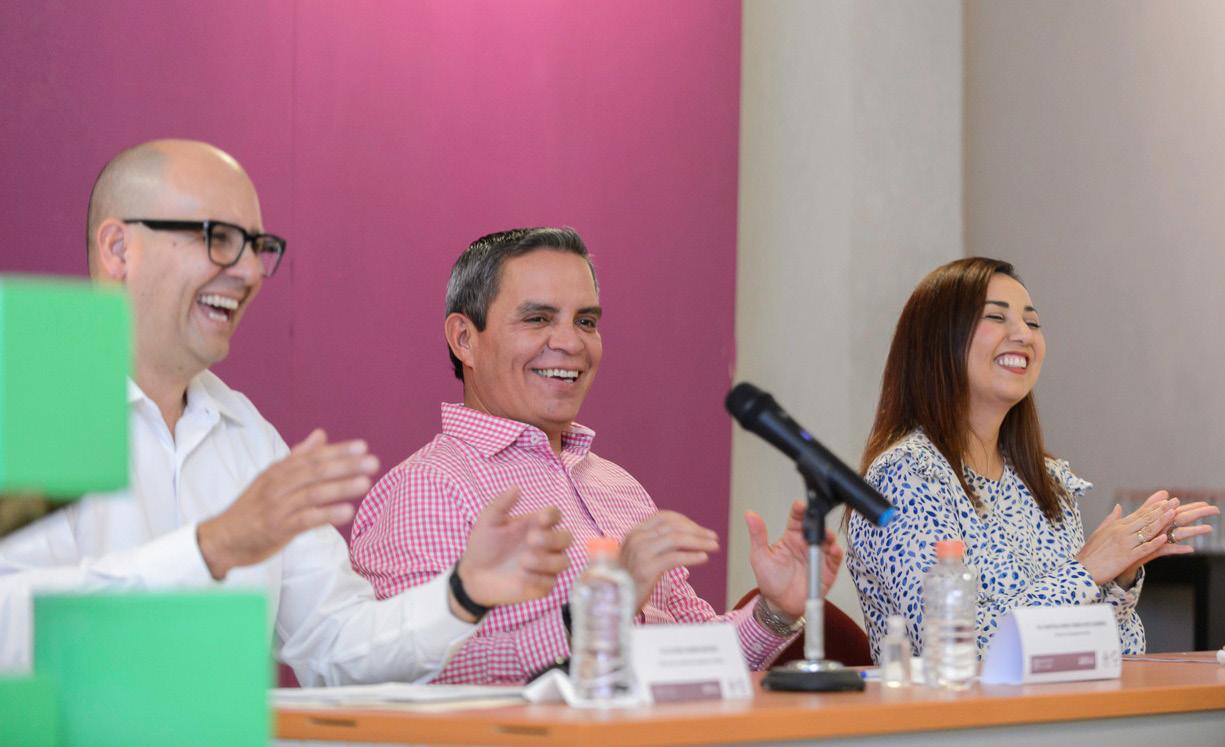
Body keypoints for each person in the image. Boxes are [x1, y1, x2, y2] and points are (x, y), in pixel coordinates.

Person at [0, 140, 572, 682]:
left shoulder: (246, 435)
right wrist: (211, 549)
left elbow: (335, 643)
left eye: (257, 246)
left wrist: (463, 593)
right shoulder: (26, 405)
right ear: (120, 249)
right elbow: (13, 628)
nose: (248, 272)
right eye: (218, 238)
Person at [349, 227, 844, 685]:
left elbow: (689, 657)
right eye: (538, 319)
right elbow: (419, 676)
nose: (570, 343)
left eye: (585, 321)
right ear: (464, 339)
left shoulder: (617, 485)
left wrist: (774, 611)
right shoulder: (426, 489)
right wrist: (601, 607)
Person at [846, 257, 1218, 662]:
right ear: (938, 340)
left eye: (1033, 322)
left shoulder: (1047, 481)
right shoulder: (905, 476)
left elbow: (1120, 654)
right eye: (996, 317)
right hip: (953, 705)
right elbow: (961, 653)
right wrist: (1086, 569)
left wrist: (1120, 574)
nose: (1024, 335)